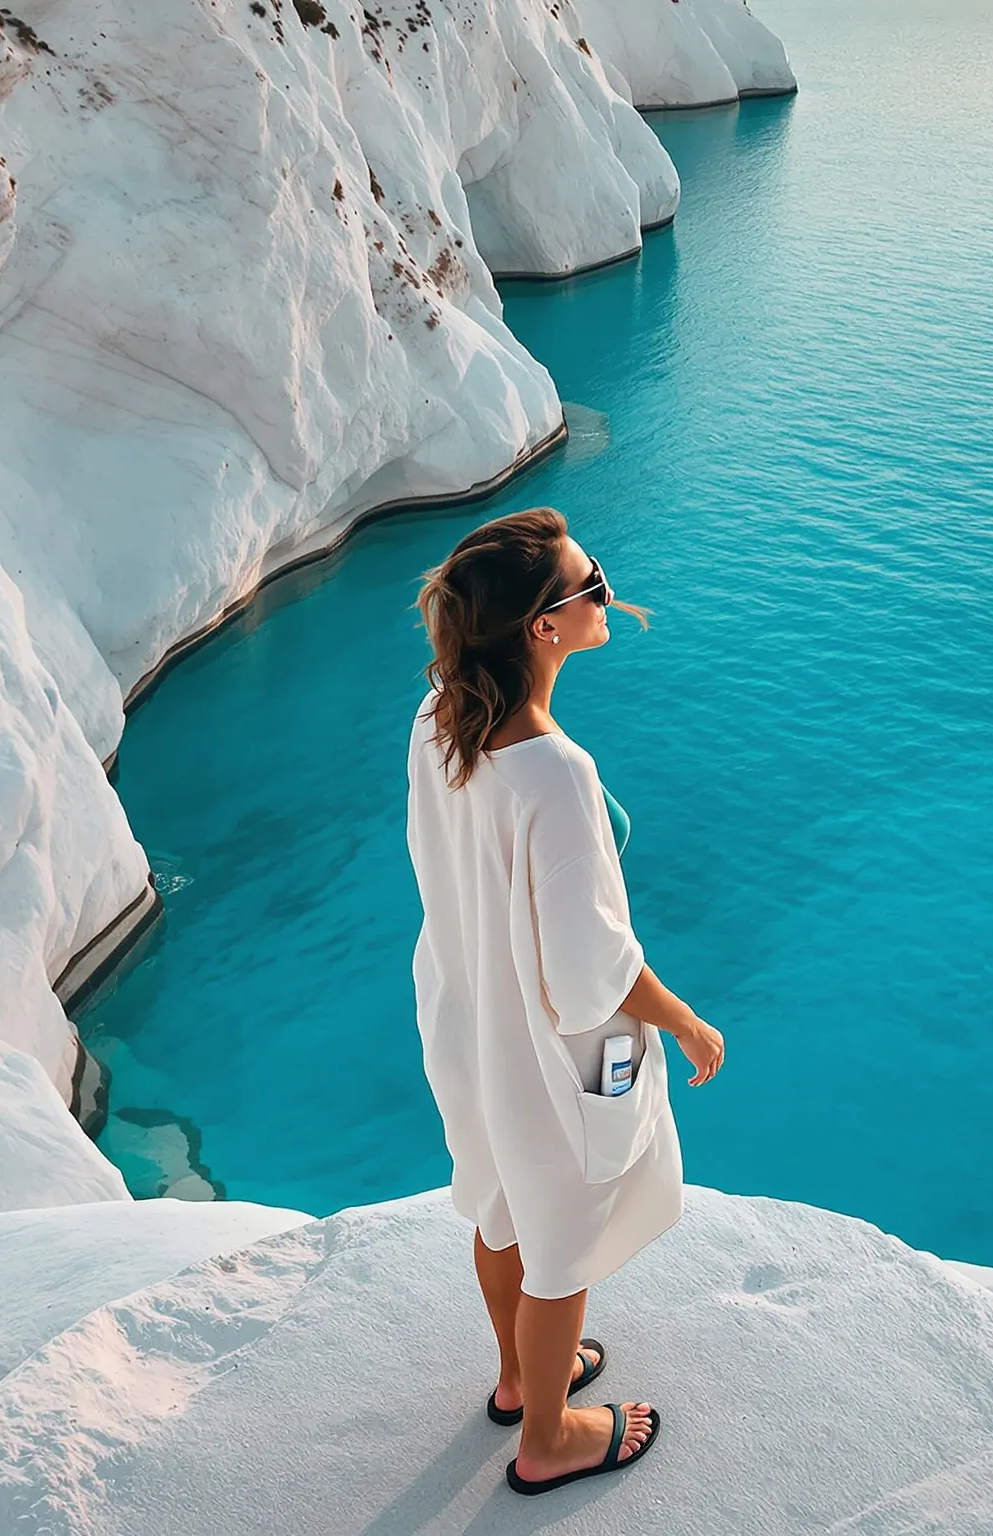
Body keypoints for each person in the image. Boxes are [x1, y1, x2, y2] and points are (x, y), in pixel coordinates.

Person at [406, 507, 727, 1497]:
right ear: (544, 628)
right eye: (592, 585)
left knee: (503, 1207)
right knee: (567, 1229)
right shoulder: (555, 773)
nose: (608, 596)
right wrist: (681, 1019)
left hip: (466, 1019)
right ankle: (548, 1434)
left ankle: (515, 1378)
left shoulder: (436, 718)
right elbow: (588, 969)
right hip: (557, 1049)